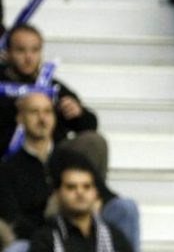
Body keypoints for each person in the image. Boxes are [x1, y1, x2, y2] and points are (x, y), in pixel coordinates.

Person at [0, 92, 140, 252]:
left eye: (48, 112)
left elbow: (103, 193)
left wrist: (97, 202)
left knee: (125, 207)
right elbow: (14, 221)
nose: (42, 119)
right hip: (41, 238)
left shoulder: (71, 156)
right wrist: (51, 221)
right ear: (20, 118)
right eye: (34, 112)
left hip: (85, 228)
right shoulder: (8, 168)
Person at [25, 162, 146, 252]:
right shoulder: (44, 238)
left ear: (96, 193)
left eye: (86, 187)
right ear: (58, 194)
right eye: (71, 187)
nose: (80, 192)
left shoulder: (114, 236)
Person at [0, 24, 104, 170]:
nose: (28, 57)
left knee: (94, 142)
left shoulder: (53, 87)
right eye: (21, 50)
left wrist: (78, 114)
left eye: (35, 50)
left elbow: (90, 125)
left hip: (53, 163)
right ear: (8, 52)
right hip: (8, 162)